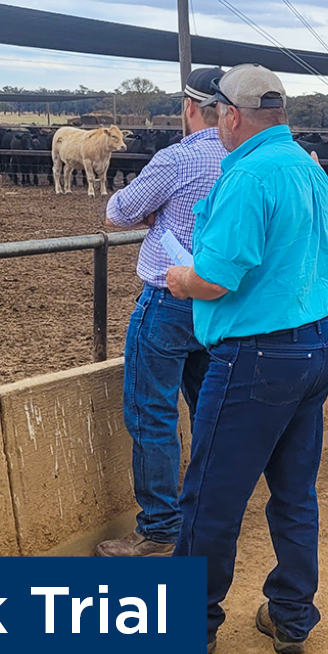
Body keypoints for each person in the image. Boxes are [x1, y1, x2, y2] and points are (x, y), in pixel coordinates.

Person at [166, 64, 328, 654]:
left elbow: (216, 277)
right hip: (314, 343)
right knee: (293, 492)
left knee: (211, 493)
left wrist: (180, 278)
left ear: (230, 115)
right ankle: (291, 613)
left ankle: (193, 620)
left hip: (256, 355)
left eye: (216, 113)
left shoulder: (248, 176)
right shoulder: (309, 169)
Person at [96, 67, 226, 557]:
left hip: (168, 300)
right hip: (219, 301)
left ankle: (159, 526)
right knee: (210, 408)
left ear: (190, 108)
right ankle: (208, 510)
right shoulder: (246, 158)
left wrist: (152, 211)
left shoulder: (177, 158)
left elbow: (118, 211)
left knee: (152, 411)